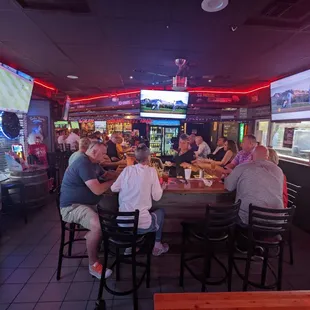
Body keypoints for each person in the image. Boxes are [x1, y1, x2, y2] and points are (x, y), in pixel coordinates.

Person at [60, 142, 117, 279]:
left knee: (114, 207)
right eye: (103, 153)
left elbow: (106, 175)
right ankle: (93, 264)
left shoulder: (94, 163)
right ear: (94, 151)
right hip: (72, 207)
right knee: (98, 224)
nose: (105, 156)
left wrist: (126, 173)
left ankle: (99, 240)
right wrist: (113, 182)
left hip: (88, 203)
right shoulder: (83, 163)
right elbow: (97, 190)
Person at [111, 144, 169, 256]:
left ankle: (130, 246)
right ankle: (157, 246)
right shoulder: (152, 171)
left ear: (136, 158)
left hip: (122, 224)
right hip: (142, 226)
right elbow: (157, 197)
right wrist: (162, 188)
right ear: (148, 158)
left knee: (133, 217)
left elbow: (114, 188)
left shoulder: (127, 170)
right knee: (160, 212)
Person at [224, 146, 284, 224]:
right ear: (267, 157)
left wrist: (227, 177)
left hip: (250, 220)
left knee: (228, 213)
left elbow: (228, 187)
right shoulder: (278, 170)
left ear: (251, 156)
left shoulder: (242, 167)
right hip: (277, 221)